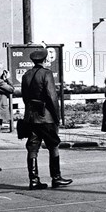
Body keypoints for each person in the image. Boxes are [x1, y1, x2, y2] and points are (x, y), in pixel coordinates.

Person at [21, 48, 72, 190]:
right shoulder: (46, 73)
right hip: (46, 117)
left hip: (31, 117)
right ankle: (56, 177)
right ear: (44, 60)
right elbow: (52, 96)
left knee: (32, 148)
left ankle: (34, 180)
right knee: (53, 145)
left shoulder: (26, 75)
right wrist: (57, 117)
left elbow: (25, 98)